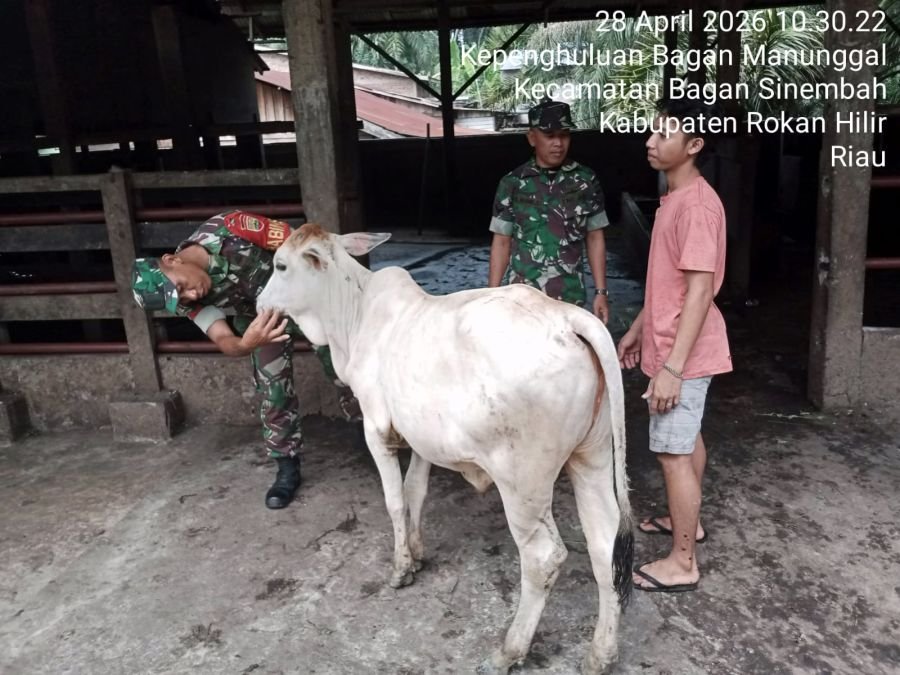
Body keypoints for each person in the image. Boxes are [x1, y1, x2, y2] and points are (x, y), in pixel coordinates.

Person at [131, 211, 358, 510]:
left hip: (307, 302)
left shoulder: (230, 228)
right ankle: (287, 469)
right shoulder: (188, 303)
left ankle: (376, 431)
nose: (190, 295)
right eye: (181, 299)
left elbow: (296, 246)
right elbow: (224, 339)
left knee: (346, 367)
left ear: (172, 260)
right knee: (272, 390)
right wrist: (246, 343)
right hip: (261, 325)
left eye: (182, 286)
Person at [617, 99, 732, 593]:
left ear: (694, 146)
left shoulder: (699, 208)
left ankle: (683, 562)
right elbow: (673, 285)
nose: (650, 140)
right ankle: (689, 522)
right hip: (670, 343)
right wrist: (641, 326)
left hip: (683, 353)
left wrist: (673, 369)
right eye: (651, 132)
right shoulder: (675, 199)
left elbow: (702, 291)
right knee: (686, 441)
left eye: (663, 133)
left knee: (671, 454)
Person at [487, 98, 611, 322]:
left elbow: (595, 237)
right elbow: (502, 241)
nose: (558, 143)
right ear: (532, 138)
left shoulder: (585, 181)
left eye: (564, 135)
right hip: (522, 300)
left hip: (569, 298)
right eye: (550, 136)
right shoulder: (512, 183)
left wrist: (601, 292)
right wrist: (491, 296)